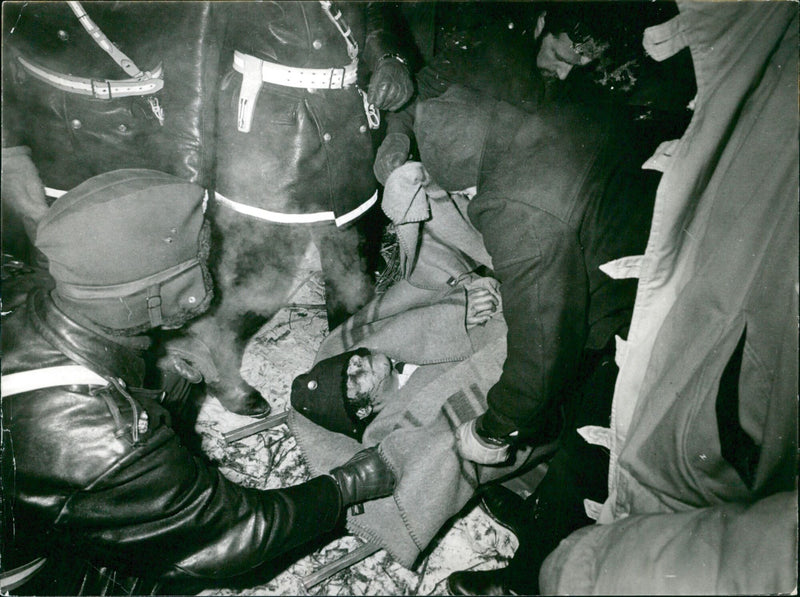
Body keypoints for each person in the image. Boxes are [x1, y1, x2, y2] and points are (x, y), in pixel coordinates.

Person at [0, 169, 396, 595]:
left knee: (175, 373)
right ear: (151, 294)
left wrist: (157, 359)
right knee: (171, 570)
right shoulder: (103, 440)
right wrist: (344, 487)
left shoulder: (22, 294)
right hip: (32, 576)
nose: (217, 264)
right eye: (200, 261)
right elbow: (235, 533)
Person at [213, 1, 414, 328]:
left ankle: (340, 369)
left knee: (352, 275)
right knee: (255, 277)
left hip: (347, 122)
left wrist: (389, 57)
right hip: (267, 133)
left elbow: (374, 6)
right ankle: (216, 371)